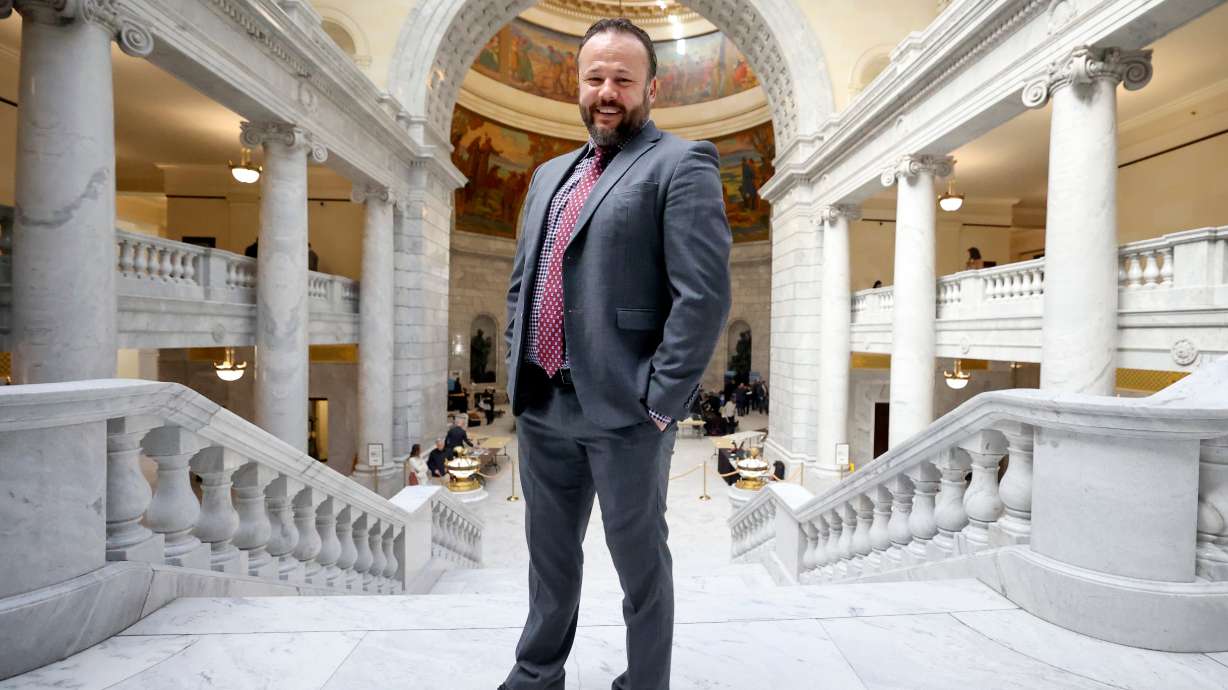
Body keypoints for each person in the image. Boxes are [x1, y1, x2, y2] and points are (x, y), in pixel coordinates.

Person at [500, 17, 731, 690]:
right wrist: (519, 367)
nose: (608, 91)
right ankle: (535, 675)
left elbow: (703, 297)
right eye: (595, 77)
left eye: (623, 80)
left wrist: (659, 403)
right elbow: (524, 281)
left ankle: (644, 683)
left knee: (640, 569)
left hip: (625, 412)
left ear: (650, 87)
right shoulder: (545, 175)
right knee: (549, 564)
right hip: (543, 406)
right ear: (577, 84)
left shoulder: (681, 163)